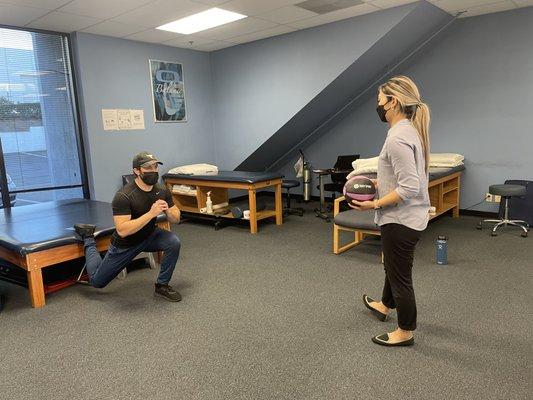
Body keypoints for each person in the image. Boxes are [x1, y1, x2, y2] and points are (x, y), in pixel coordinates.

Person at [350, 76, 431, 346]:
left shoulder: (398, 138)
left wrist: (373, 203)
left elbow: (409, 186)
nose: (378, 106)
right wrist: (375, 182)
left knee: (400, 276)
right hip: (408, 217)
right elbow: (403, 177)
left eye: (379, 101)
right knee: (392, 265)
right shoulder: (407, 130)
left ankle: (405, 330)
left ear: (393, 102)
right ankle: (385, 305)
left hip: (401, 220)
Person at [74, 152, 182, 302]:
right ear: (137, 171)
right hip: (126, 244)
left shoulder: (162, 190)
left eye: (155, 166)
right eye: (148, 168)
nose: (153, 171)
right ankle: (88, 238)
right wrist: (151, 214)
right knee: (97, 282)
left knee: (173, 242)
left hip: (149, 235)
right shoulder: (124, 196)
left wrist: (168, 211)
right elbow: (122, 230)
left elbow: (176, 217)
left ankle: (162, 285)